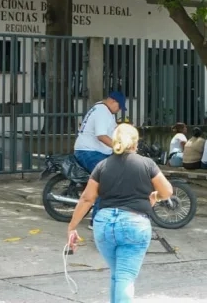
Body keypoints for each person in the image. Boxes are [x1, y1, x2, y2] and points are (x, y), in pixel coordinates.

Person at [66, 123, 174, 303]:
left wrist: (72, 226)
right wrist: (155, 195)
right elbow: (167, 191)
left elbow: (87, 198)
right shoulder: (147, 164)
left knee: (118, 274)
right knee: (125, 276)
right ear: (135, 143)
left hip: (104, 225)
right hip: (134, 224)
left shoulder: (102, 166)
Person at [73, 91, 126, 227]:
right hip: (89, 151)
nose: (119, 110)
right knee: (106, 179)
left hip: (98, 151)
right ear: (113, 101)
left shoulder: (106, 111)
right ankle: (96, 221)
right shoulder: (102, 111)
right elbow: (101, 135)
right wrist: (118, 146)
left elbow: (113, 132)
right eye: (119, 106)